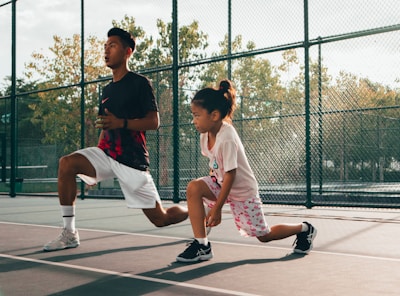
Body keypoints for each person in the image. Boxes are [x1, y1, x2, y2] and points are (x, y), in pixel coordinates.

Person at [43, 27, 188, 252]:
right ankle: (69, 233)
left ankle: (197, 210)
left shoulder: (140, 83)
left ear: (127, 52)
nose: (106, 50)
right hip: (106, 153)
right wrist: (96, 160)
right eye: (105, 46)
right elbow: (106, 124)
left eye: (112, 45)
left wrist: (122, 123)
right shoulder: (107, 89)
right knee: (67, 164)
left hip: (132, 160)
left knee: (161, 218)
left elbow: (153, 122)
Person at [176, 79, 317, 262]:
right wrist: (210, 191)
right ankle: (202, 245)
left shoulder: (227, 137)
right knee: (194, 187)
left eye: (197, 115)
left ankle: (305, 229)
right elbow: (216, 166)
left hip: (242, 191)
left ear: (214, 115)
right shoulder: (205, 134)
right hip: (222, 184)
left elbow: (231, 174)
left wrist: (217, 208)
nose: (193, 120)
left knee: (264, 236)